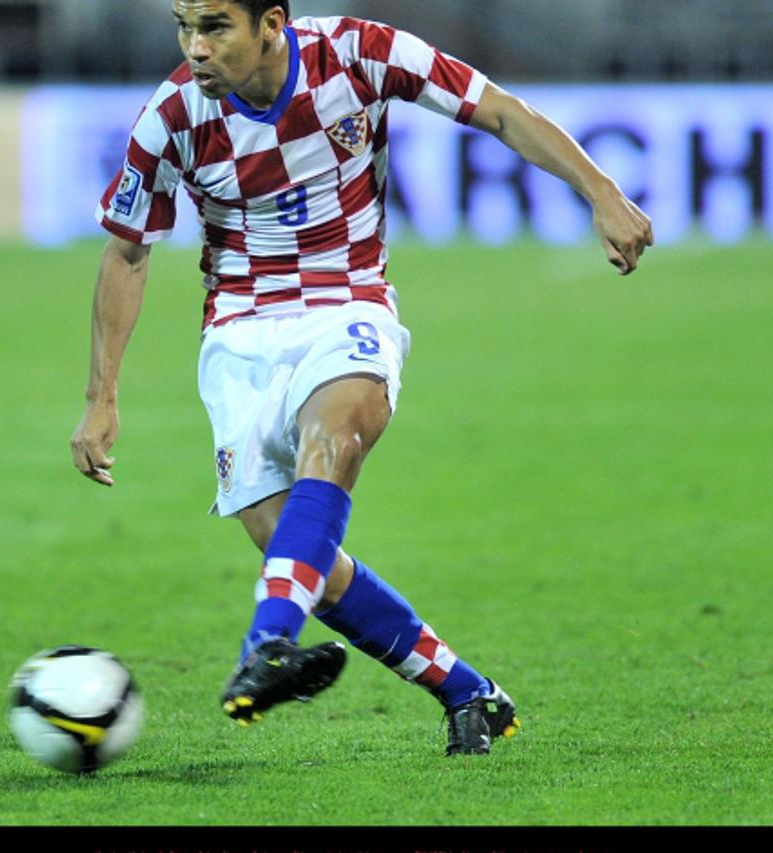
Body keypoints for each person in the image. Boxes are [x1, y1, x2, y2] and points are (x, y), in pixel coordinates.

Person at [70, 0, 652, 756]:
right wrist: (101, 397)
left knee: (334, 438)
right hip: (239, 333)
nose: (195, 47)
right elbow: (127, 252)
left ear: (270, 24)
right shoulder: (172, 115)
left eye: (214, 27)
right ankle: (465, 689)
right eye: (184, 27)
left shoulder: (360, 53)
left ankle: (267, 643)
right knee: (293, 551)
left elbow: (499, 112)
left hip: (348, 301)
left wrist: (601, 190)